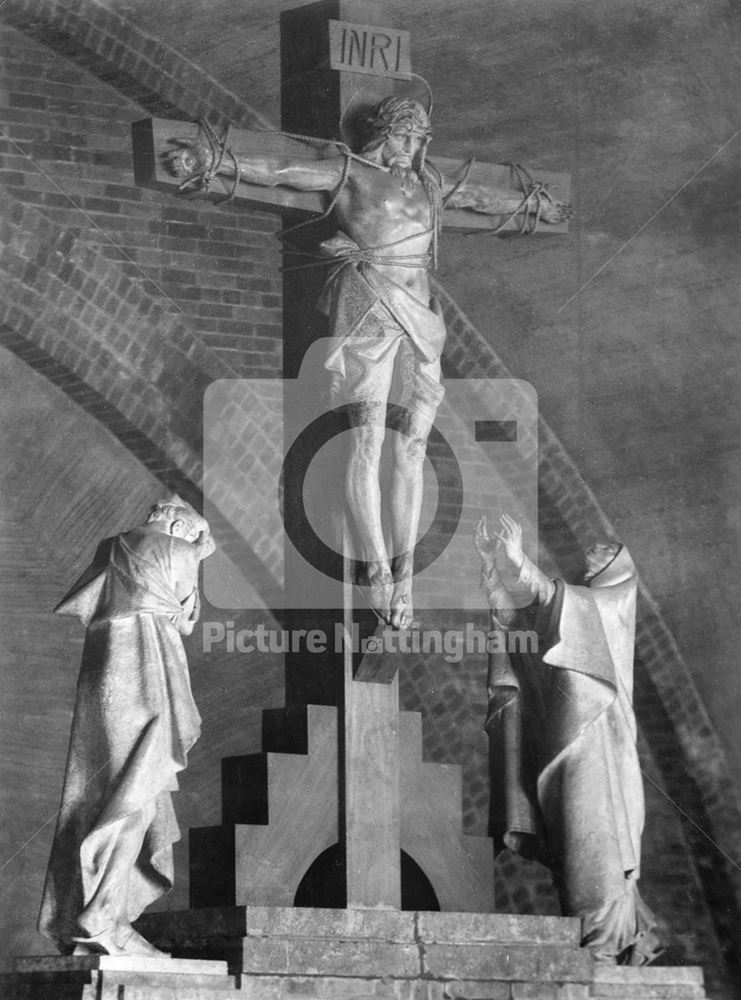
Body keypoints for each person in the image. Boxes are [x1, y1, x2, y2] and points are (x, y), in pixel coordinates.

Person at [167, 97, 570, 628]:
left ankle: (402, 572)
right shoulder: (351, 171)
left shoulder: (427, 186)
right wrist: (212, 161)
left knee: (412, 449)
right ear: (382, 134)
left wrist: (539, 206)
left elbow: (479, 196)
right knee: (365, 441)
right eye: (405, 138)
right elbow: (287, 170)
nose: (413, 150)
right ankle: (375, 569)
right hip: (369, 314)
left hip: (422, 321)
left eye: (421, 141)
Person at [473, 513, 662, 965]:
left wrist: (519, 562)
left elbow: (567, 605)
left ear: (620, 568)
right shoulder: (579, 612)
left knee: (588, 844)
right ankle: (598, 948)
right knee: (572, 843)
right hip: (572, 745)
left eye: (604, 551)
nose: (591, 552)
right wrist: (495, 580)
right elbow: (532, 637)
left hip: (597, 750)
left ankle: (602, 949)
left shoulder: (613, 604)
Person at [38, 496, 215, 957]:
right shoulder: (181, 551)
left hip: (104, 675)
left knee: (104, 792)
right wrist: (199, 554)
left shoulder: (110, 547)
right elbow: (184, 622)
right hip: (147, 671)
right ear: (179, 525)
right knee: (138, 795)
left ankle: (100, 914)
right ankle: (100, 913)